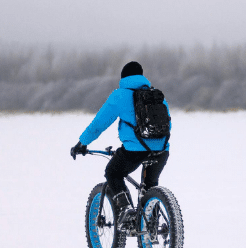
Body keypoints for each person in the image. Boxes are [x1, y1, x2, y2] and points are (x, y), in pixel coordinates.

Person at [71, 61, 171, 219]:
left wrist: (82, 143)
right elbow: (167, 124)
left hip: (134, 151)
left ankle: (126, 210)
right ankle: (154, 224)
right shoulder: (156, 96)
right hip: (161, 151)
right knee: (150, 187)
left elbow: (98, 124)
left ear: (124, 77)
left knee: (113, 172)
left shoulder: (119, 95)